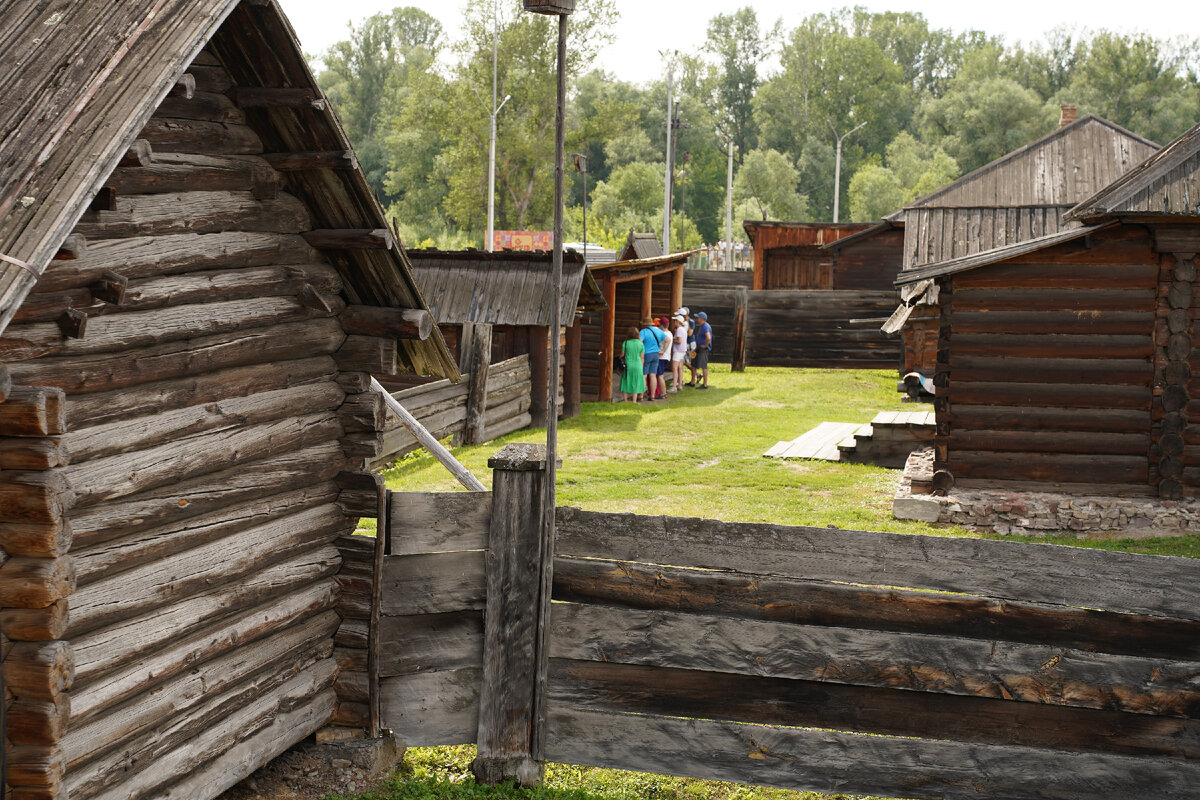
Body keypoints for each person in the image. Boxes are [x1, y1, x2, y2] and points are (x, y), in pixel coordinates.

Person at [638, 317, 667, 400]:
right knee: (653, 375)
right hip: (656, 355)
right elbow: (667, 340)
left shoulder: (643, 332)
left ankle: (641, 396)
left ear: (644, 324)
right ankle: (653, 396)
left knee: (644, 375)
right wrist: (663, 350)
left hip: (646, 354)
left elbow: (639, 341)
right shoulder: (658, 330)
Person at [619, 326, 645, 402]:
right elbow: (642, 357)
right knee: (636, 382)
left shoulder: (626, 343)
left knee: (625, 381)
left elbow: (622, 355)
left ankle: (625, 400)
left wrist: (619, 358)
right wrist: (642, 366)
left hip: (628, 365)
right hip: (638, 365)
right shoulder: (640, 344)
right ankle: (634, 401)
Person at [693, 311, 712, 389]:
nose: (697, 319)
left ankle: (705, 385)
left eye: (698, 318)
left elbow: (708, 337)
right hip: (699, 348)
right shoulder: (703, 326)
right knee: (694, 364)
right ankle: (693, 382)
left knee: (704, 366)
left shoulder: (705, 326)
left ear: (701, 319)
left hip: (703, 349)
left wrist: (705, 345)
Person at [670, 314, 687, 391]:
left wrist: (673, 339)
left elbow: (679, 341)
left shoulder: (679, 329)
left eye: (675, 321)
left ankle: (674, 387)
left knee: (674, 368)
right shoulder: (684, 329)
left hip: (678, 351)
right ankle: (680, 385)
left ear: (677, 321)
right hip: (683, 350)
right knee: (680, 368)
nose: (674, 322)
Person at [656, 317, 672, 397]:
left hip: (662, 357)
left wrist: (662, 351)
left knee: (660, 376)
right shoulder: (670, 333)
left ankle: (663, 393)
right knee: (660, 375)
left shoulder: (664, 334)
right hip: (667, 357)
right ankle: (662, 393)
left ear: (662, 325)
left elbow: (667, 341)